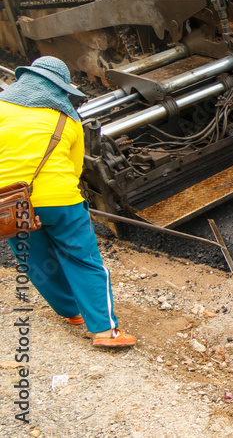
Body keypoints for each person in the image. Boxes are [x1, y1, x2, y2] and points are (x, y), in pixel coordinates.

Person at [0, 57, 136, 348]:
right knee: (83, 260)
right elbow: (75, 170)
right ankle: (104, 331)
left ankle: (71, 312)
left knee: (33, 258)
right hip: (61, 200)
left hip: (9, 202)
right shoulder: (69, 120)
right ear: (59, 89)